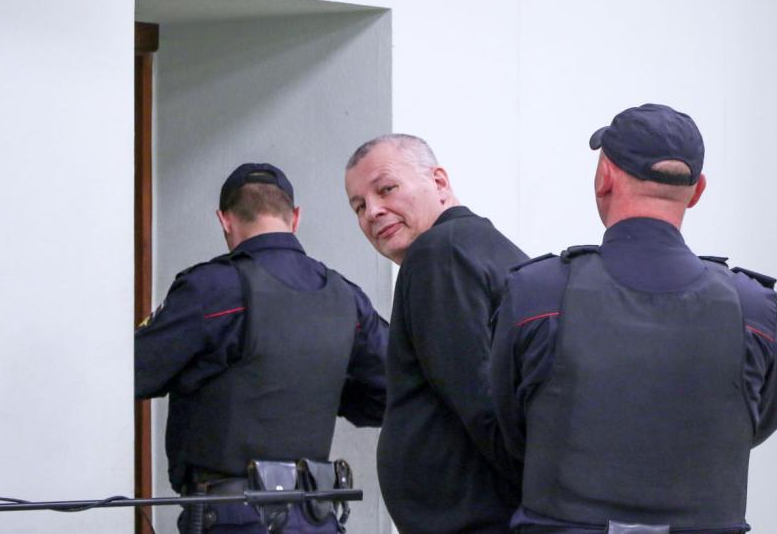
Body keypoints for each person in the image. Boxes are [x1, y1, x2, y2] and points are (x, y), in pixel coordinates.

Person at [490, 104, 777, 534]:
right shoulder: (752, 307)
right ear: (698, 189)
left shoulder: (537, 293)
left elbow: (512, 428)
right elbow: (759, 421)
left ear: (604, 176)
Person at [135, 163, 388, 534]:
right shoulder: (346, 297)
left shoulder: (210, 290)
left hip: (232, 516)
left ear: (224, 219)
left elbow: (135, 372)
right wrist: (320, 387)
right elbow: (392, 389)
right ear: (295, 217)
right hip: (316, 515)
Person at [344, 134, 528, 533]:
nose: (372, 212)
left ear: (440, 182)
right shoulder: (496, 250)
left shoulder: (437, 253)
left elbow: (482, 400)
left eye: (386, 189)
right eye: (358, 206)